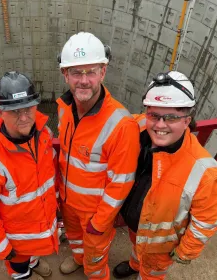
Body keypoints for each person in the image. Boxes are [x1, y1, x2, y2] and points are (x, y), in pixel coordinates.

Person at [113, 71, 217, 279]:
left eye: (171, 117)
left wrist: (185, 252)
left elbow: (206, 220)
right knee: (136, 247)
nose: (160, 125)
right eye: (154, 115)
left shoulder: (206, 172)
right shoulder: (137, 128)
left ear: (187, 121)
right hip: (135, 226)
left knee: (152, 274)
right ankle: (134, 264)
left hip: (160, 248)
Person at [56, 32, 140, 279]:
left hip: (95, 214)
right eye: (76, 72)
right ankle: (78, 259)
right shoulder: (65, 109)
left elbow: (121, 183)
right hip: (69, 203)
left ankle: (94, 272)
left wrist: (100, 222)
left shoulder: (121, 125)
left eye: (90, 72)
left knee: (96, 256)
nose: (83, 81)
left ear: (103, 73)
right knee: (76, 242)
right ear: (65, 75)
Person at [0, 71, 59, 280]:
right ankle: (24, 273)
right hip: (15, 240)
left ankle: (34, 261)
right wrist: (2, 249)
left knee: (31, 255)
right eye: (15, 111)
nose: (24, 117)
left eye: (28, 108)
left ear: (36, 106)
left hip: (41, 227)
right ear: (0, 112)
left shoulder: (44, 136)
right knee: (19, 269)